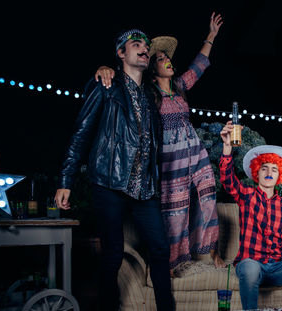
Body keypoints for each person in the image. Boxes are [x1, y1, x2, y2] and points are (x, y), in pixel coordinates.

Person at [95, 13, 225, 271]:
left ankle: (212, 251)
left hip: (195, 152)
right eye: (161, 59)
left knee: (209, 194)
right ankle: (174, 261)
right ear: (153, 69)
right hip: (169, 158)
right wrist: (103, 68)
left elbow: (199, 65)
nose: (167, 61)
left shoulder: (179, 87)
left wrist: (211, 35)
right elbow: (124, 80)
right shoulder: (148, 93)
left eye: (167, 58)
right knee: (174, 210)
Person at [55, 29, 174, 310]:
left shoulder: (150, 95)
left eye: (147, 46)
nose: (144, 49)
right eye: (136, 45)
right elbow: (81, 134)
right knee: (112, 255)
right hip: (109, 182)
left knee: (159, 249)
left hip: (145, 188)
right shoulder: (105, 86)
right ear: (121, 54)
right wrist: (66, 180)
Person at [219, 121, 282, 310]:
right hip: (251, 264)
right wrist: (227, 148)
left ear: (279, 176)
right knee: (250, 268)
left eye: (274, 169)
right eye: (264, 168)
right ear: (256, 172)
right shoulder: (246, 195)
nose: (269, 172)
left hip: (278, 266)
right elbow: (227, 180)